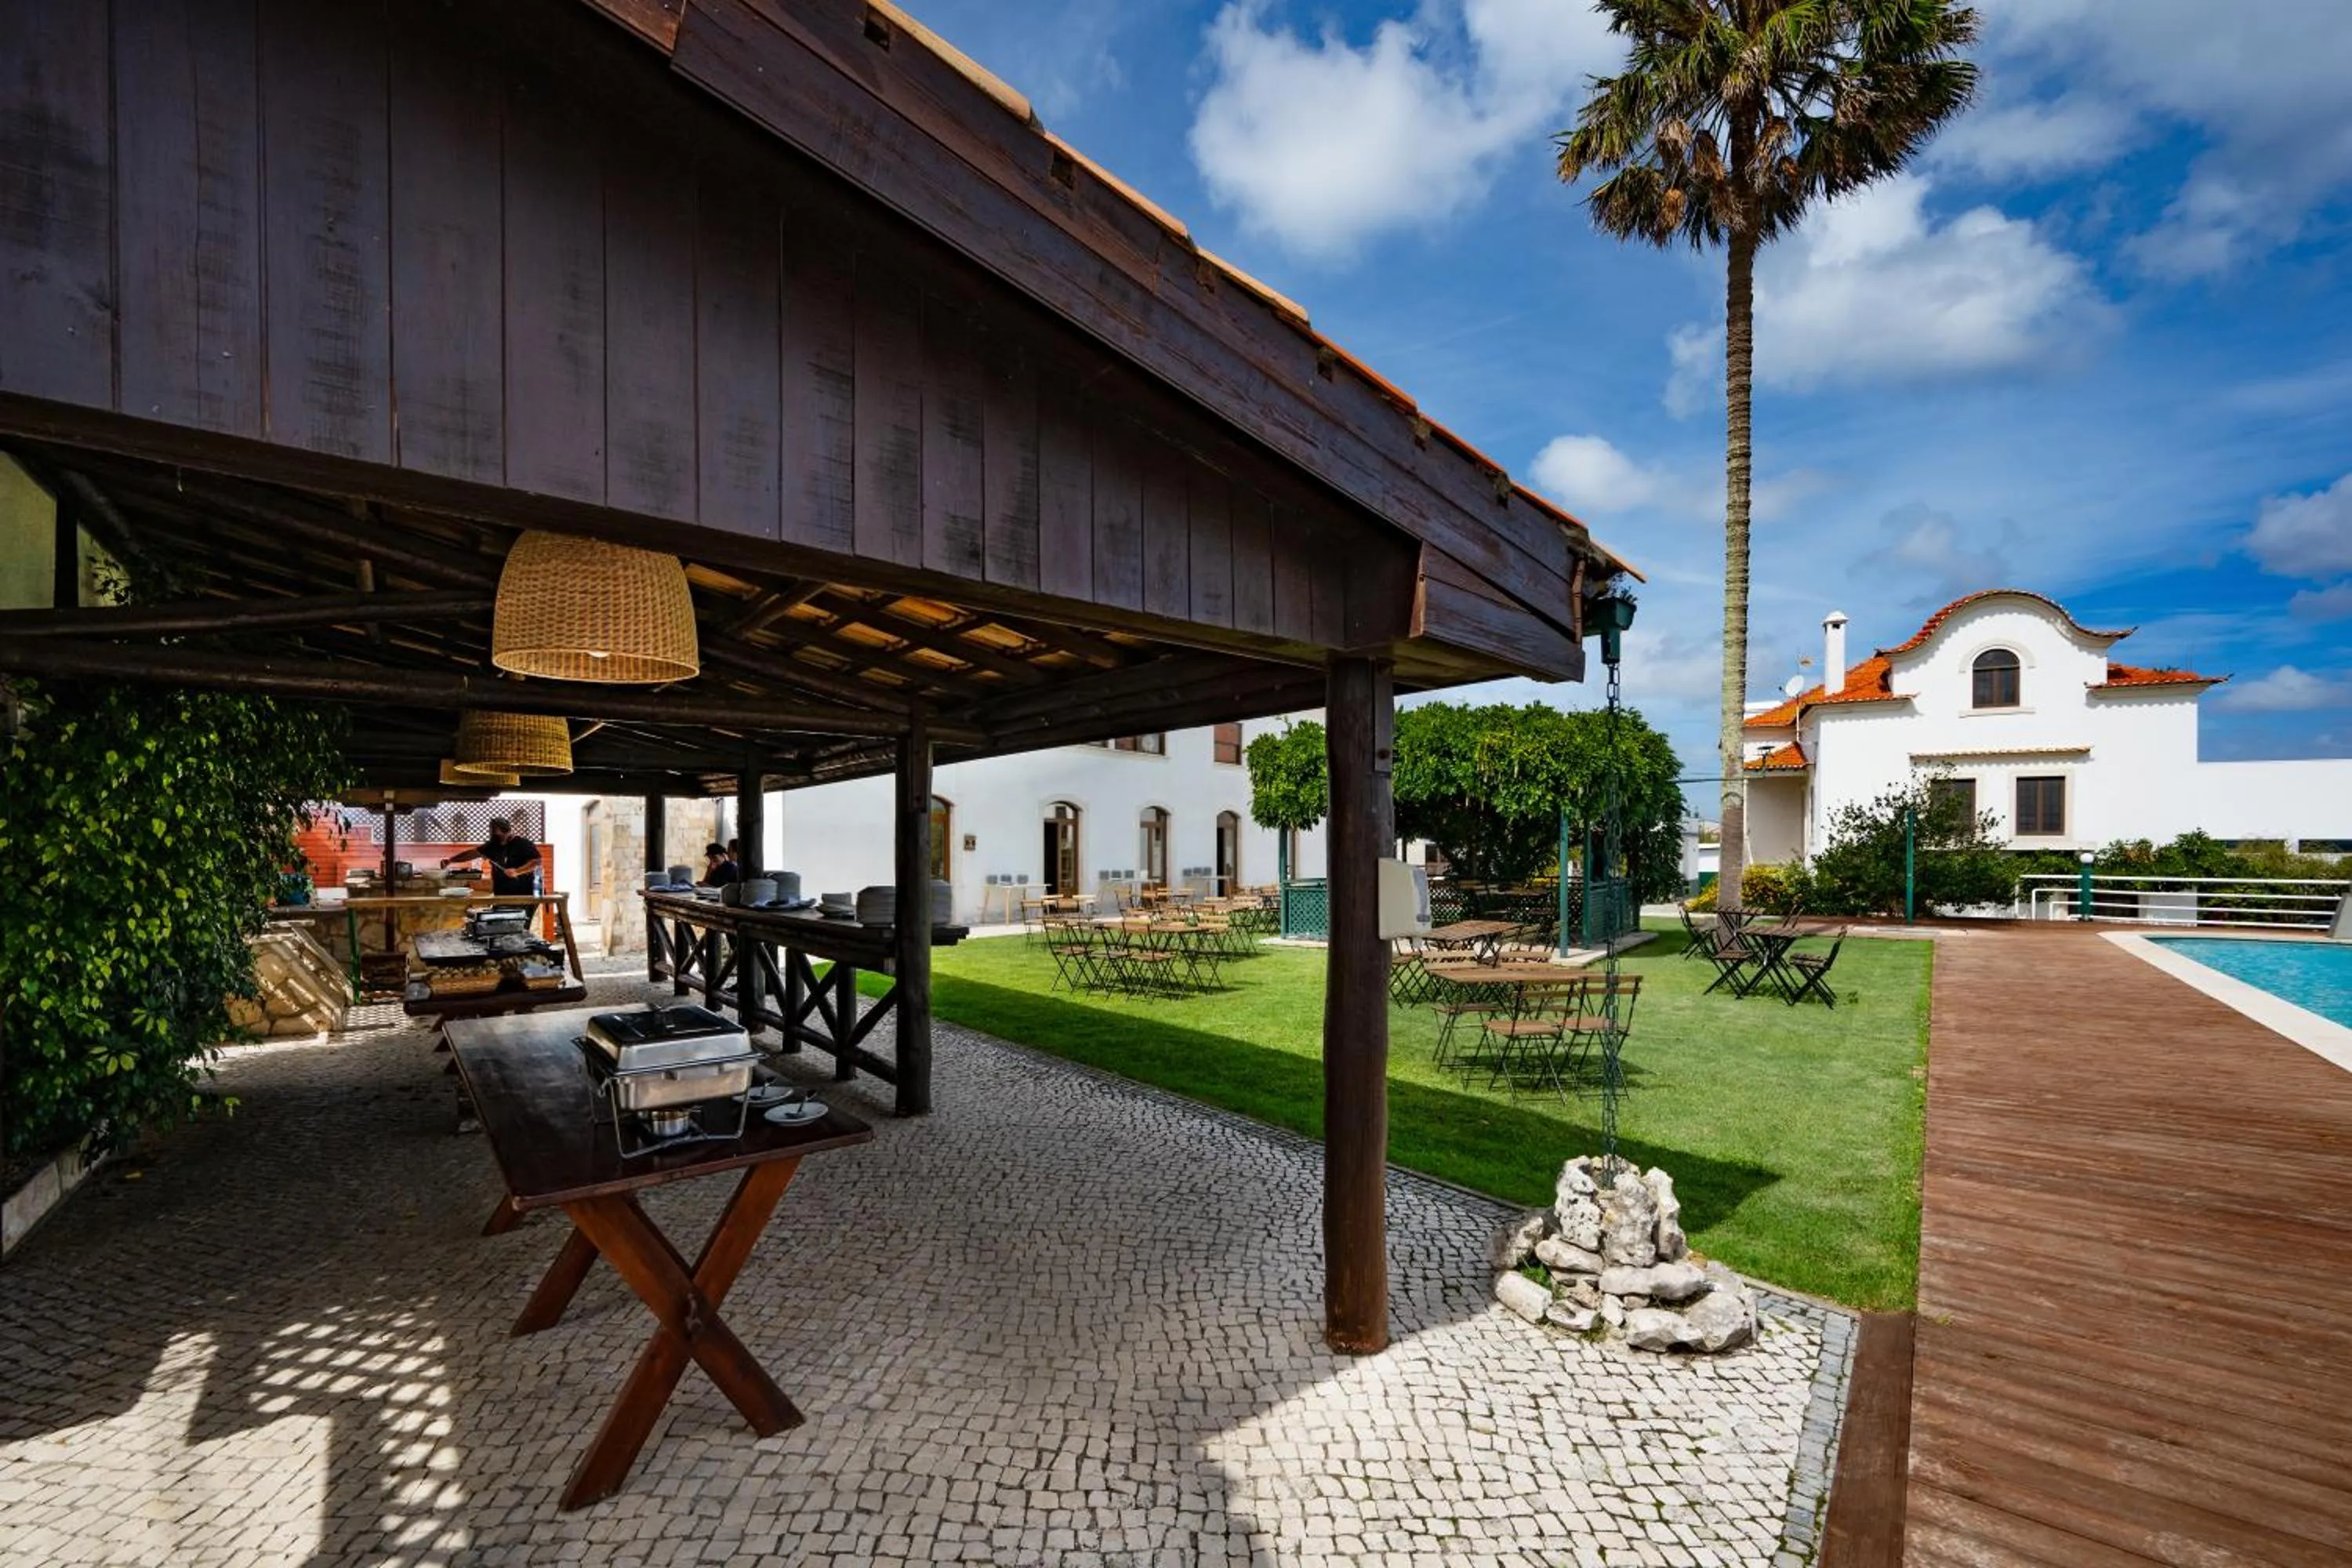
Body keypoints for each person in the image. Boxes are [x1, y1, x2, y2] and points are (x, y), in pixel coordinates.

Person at [442, 818, 542, 898]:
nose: (499, 838)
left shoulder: (523, 844)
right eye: (495, 834)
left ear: (508, 832)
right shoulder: (493, 845)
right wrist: (451, 860)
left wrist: (517, 871)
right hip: (501, 892)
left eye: (501, 835)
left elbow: (536, 862)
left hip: (524, 893)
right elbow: (472, 853)